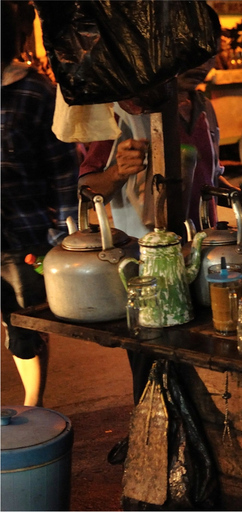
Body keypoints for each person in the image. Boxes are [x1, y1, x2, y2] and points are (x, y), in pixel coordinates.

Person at [79, 61, 223, 413]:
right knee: (152, 364)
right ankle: (152, 434)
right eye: (194, 54)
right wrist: (116, 172)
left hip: (201, 253)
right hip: (148, 265)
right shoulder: (123, 113)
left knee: (200, 359)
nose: (203, 65)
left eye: (209, 54)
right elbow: (86, 188)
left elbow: (211, 177)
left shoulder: (203, 108)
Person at [1, 0, 80, 407]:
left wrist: (62, 234)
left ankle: (32, 407)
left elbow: (63, 169)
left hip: (23, 234)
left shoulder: (36, 91)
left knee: (23, 326)